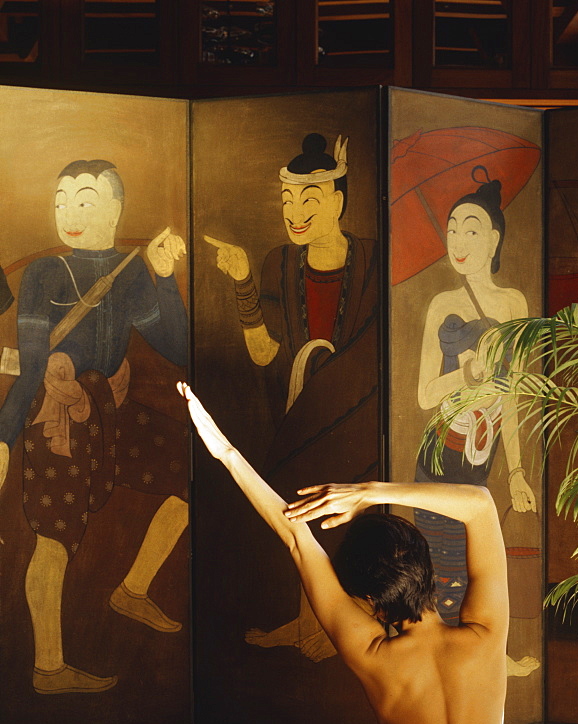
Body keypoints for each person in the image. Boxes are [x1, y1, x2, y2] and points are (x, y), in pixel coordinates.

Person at [179, 380, 563, 724]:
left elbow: (295, 538)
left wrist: (225, 452)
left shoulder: (374, 654)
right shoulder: (486, 635)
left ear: (366, 600)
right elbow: (481, 506)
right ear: (429, 570)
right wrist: (369, 492)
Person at [0, 158, 189, 693]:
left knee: (189, 473)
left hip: (113, 407)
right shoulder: (43, 274)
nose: (69, 213)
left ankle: (132, 588)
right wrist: (4, 435)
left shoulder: (131, 271)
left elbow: (176, 347)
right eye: (61, 201)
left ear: (115, 208)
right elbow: (35, 365)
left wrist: (164, 276)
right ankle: (49, 666)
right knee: (52, 541)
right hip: (57, 416)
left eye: (83, 200)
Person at [205, 132, 379, 662]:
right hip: (298, 404)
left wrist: (339, 388)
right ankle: (309, 622)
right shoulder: (279, 263)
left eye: (310, 199)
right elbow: (263, 354)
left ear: (339, 202)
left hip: (356, 408)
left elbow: (378, 345)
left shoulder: (372, 260)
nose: (296, 213)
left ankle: (336, 624)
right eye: (288, 202)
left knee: (340, 517)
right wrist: (242, 285)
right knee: (298, 511)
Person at [415, 167, 535, 635]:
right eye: (451, 230)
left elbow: (513, 397)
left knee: (477, 558)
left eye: (471, 229)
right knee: (442, 560)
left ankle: (482, 657)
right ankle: (442, 653)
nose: (458, 240)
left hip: (482, 454)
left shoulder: (514, 305)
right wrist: (466, 373)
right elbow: (425, 395)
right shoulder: (441, 302)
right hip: (441, 449)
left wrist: (518, 472)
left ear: (495, 239)